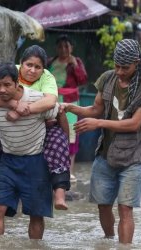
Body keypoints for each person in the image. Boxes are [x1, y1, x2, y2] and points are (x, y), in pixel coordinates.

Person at [61, 39, 141, 244]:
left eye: (125, 67)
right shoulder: (108, 78)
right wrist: (72, 108)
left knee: (125, 208)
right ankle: (108, 240)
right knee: (103, 205)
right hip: (105, 154)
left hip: (132, 157)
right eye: (117, 66)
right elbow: (96, 109)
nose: (120, 71)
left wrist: (98, 123)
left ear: (137, 63)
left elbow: (134, 124)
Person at [0, 45, 71, 213]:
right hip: (10, 131)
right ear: (20, 65)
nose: (32, 70)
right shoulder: (8, 73)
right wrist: (14, 105)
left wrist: (23, 111)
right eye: (29, 65)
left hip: (44, 122)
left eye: (38, 67)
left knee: (58, 143)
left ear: (43, 70)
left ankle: (59, 194)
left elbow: (51, 103)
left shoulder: (47, 78)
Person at [0, 62, 60, 239]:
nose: (1, 90)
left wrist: (61, 153)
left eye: (7, 85)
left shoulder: (37, 99)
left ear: (18, 84)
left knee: (36, 213)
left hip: (36, 162)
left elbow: (57, 113)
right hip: (7, 161)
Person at [47, 34, 88, 182]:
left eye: (66, 46)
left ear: (71, 48)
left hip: (70, 102)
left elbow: (83, 80)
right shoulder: (50, 61)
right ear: (56, 48)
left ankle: (69, 170)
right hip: (52, 100)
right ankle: (53, 167)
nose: (63, 49)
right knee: (51, 129)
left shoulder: (76, 62)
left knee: (71, 132)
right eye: (60, 46)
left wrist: (76, 66)